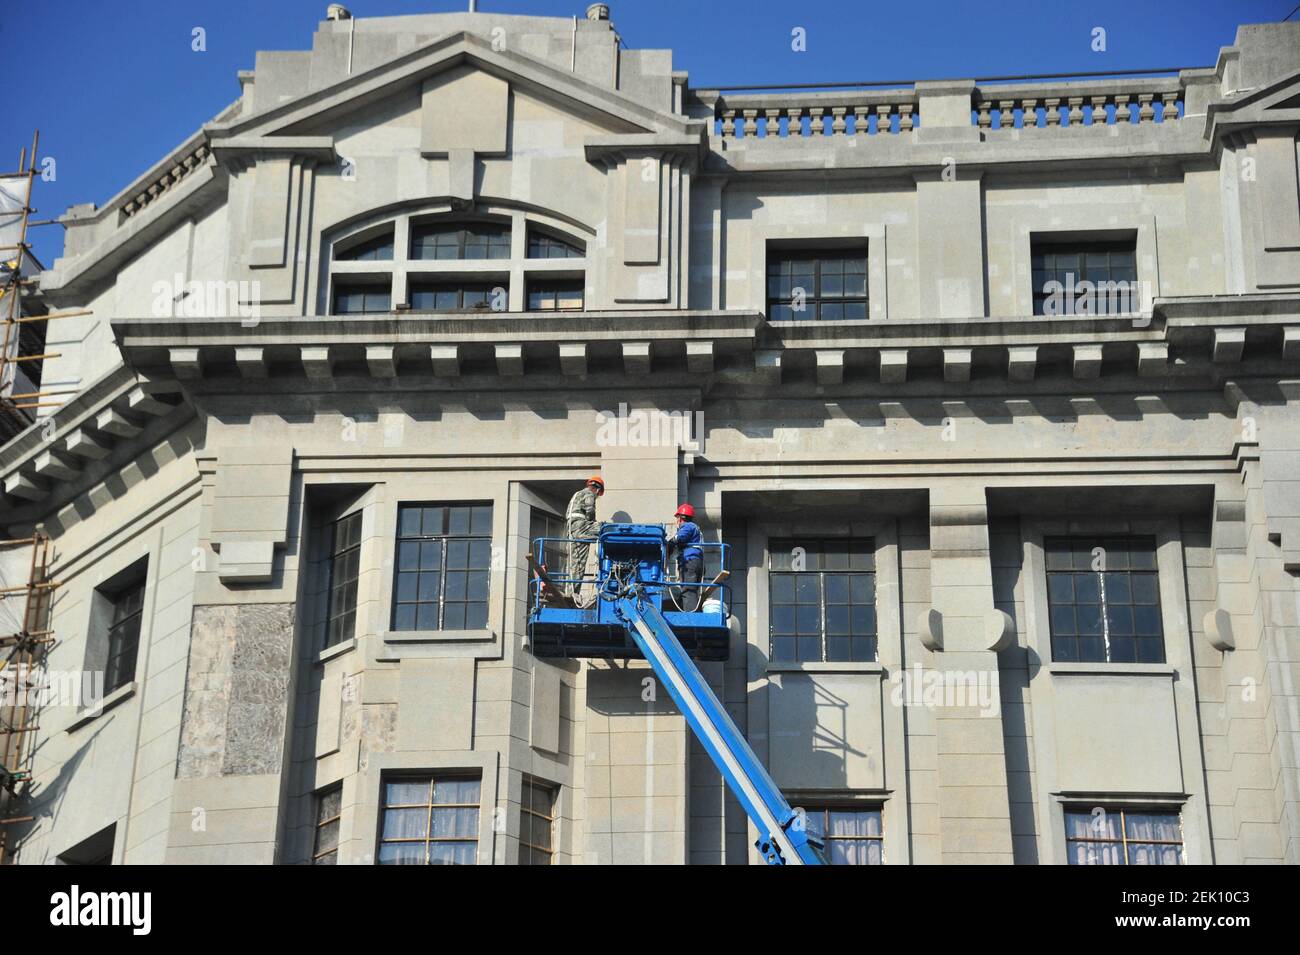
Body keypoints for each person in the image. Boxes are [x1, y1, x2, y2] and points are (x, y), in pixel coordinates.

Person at [565, 476, 604, 599]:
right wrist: (593, 522)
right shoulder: (589, 494)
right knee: (605, 529)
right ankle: (573, 593)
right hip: (580, 527)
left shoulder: (577, 494)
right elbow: (590, 510)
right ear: (597, 489)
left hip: (572, 528)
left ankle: (571, 592)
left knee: (575, 562)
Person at [667, 503, 704, 611]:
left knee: (688, 589)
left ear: (680, 518)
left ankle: (690, 616)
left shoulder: (688, 526)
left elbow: (679, 538)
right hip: (695, 561)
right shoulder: (695, 528)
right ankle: (691, 612)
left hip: (690, 562)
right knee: (691, 589)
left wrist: (668, 544)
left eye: (677, 518)